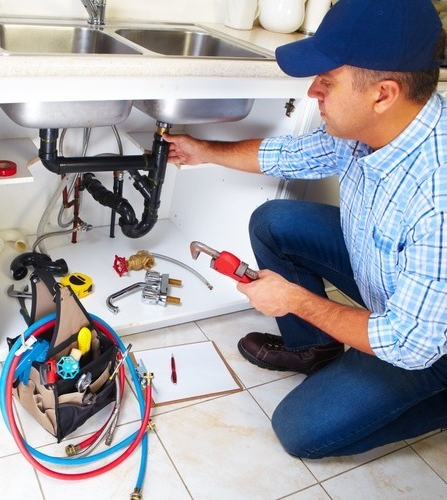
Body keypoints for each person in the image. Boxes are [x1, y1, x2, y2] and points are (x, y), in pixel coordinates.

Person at [163, 0, 447, 459]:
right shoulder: (374, 126)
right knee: (276, 221)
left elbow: (409, 344)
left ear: (383, 94)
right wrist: (203, 150)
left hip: (430, 343)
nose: (314, 91)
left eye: (328, 82)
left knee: (300, 431)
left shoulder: (439, 196)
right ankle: (316, 349)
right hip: (394, 291)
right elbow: (291, 155)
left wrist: (295, 300)